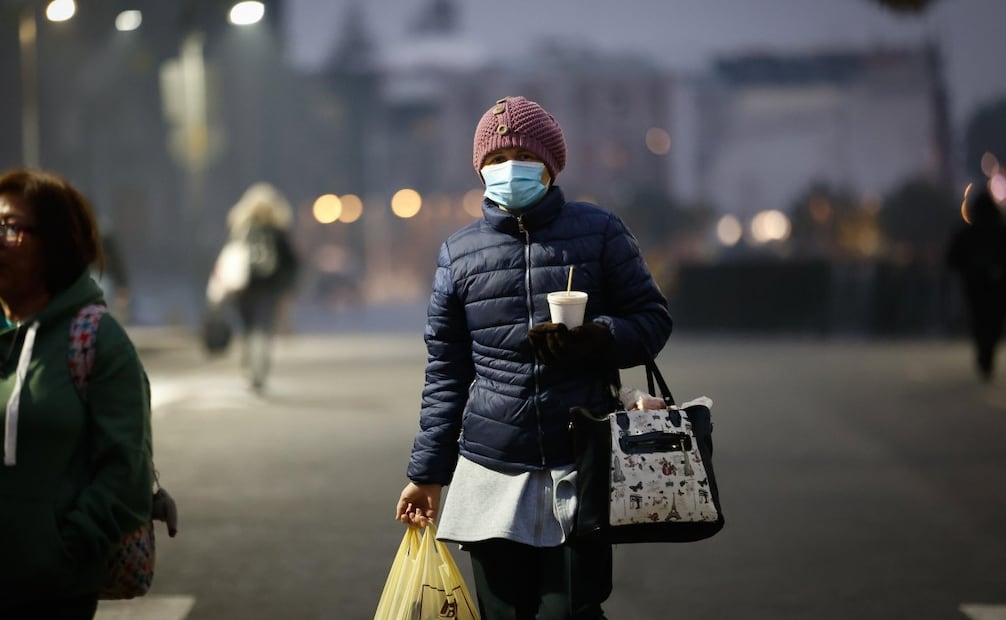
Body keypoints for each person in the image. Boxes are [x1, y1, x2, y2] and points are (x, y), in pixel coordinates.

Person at [395, 96, 673, 619]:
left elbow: (653, 320)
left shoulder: (600, 231)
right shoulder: (459, 253)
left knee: (571, 610)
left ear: (551, 167)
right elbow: (446, 373)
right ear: (480, 169)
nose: (509, 169)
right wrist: (426, 472)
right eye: (497, 160)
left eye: (524, 157)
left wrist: (599, 337)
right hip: (490, 468)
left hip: (580, 463)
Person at [0, 168, 153, 618]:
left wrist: (64, 551)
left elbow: (126, 472)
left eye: (10, 227)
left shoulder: (96, 341)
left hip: (52, 591)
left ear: (56, 243)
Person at [213, 182, 299, 392]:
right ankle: (259, 367)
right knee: (263, 326)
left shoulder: (242, 230)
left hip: (243, 287)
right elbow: (292, 262)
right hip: (269, 288)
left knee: (248, 326)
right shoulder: (278, 232)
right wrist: (287, 286)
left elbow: (230, 258)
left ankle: (249, 363)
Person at [947, 187, 1006, 382]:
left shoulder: (969, 233)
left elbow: (952, 258)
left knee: (980, 321)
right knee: (992, 322)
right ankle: (986, 355)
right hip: (994, 287)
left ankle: (984, 354)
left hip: (976, 286)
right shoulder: (999, 231)